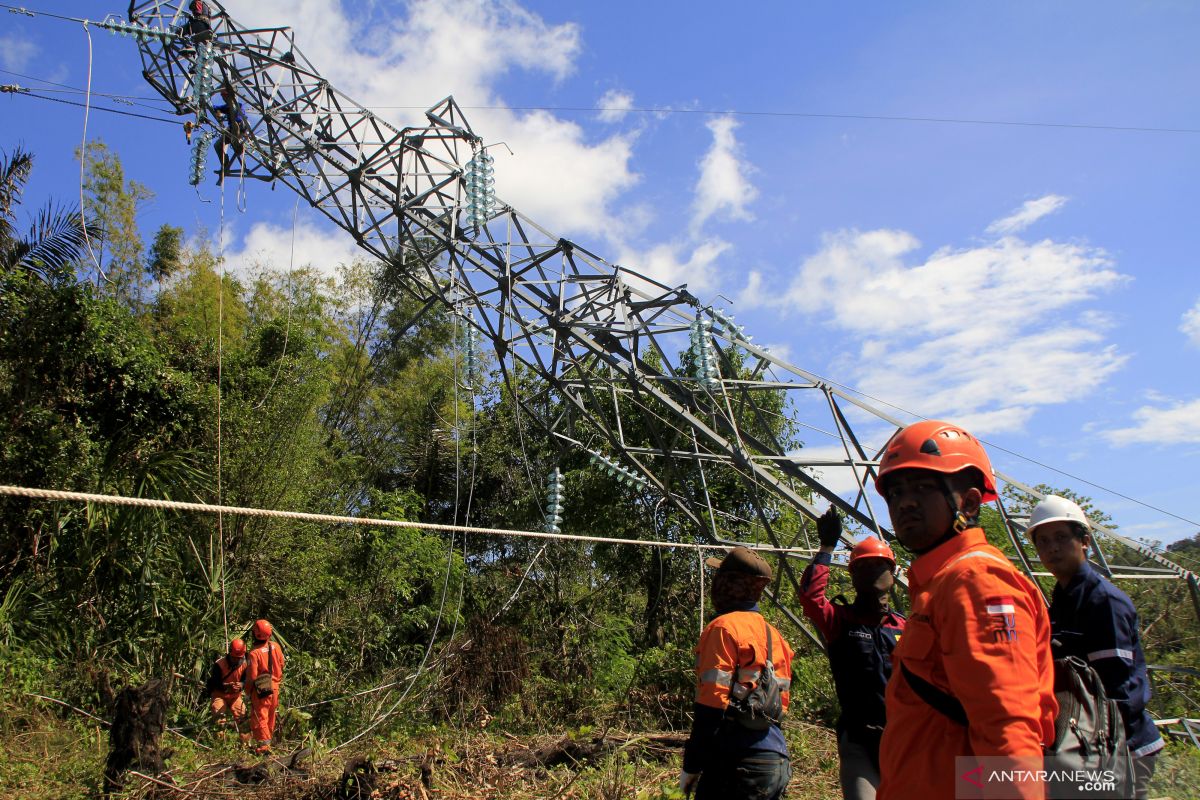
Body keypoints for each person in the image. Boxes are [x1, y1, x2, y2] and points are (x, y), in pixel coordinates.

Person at [874, 420, 1057, 800]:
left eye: (923, 487)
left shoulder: (977, 582)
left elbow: (1008, 732)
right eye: (894, 493)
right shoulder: (939, 585)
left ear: (970, 502)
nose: (904, 502)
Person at [1028, 495, 1164, 798]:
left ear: (1085, 541)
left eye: (1062, 538)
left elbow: (1119, 691)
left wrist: (1101, 758)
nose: (1052, 548)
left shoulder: (1103, 601)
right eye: (1043, 541)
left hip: (1122, 749)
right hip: (1088, 745)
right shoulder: (1063, 599)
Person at [798, 508, 904, 800]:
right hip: (859, 737)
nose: (871, 573)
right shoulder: (840, 620)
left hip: (906, 739)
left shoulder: (906, 627)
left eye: (878, 566)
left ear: (892, 573)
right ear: (852, 575)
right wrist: (827, 548)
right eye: (862, 567)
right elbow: (810, 598)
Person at [681, 546, 794, 799]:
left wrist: (692, 765)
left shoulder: (722, 628)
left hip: (737, 762)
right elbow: (779, 707)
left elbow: (711, 707)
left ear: (727, 583)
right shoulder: (774, 635)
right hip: (775, 760)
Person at [245, 618, 285, 755]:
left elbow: (252, 676)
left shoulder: (254, 653)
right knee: (270, 715)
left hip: (262, 688)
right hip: (275, 686)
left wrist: (247, 691)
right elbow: (281, 664)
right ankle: (268, 742)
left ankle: (264, 747)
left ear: (255, 634)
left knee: (260, 716)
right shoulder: (276, 646)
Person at [206, 638, 249, 741]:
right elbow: (214, 683)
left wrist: (241, 685)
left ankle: (246, 743)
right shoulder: (219, 664)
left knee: (243, 718)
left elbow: (247, 679)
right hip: (219, 695)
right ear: (229, 653)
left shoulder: (245, 664)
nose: (236, 660)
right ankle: (219, 744)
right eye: (234, 657)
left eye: (238, 658)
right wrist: (226, 686)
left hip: (235, 696)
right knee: (219, 718)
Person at [212, 84, 248, 185]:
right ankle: (225, 162)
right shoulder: (226, 107)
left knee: (234, 130)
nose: (223, 99)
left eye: (224, 96)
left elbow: (238, 117)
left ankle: (238, 146)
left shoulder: (237, 105)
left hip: (239, 128)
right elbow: (215, 107)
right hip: (232, 130)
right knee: (217, 145)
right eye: (223, 97)